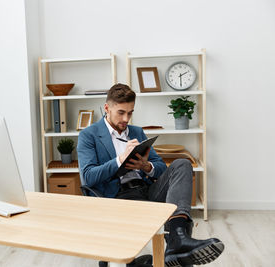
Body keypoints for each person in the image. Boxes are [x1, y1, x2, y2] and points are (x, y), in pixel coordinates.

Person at [77, 83, 224, 267]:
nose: (126, 118)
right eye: (121, 112)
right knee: (179, 260)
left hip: (146, 190)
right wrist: (120, 160)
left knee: (182, 164)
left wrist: (146, 166)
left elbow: (160, 167)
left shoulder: (136, 131)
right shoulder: (89, 135)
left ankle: (177, 238)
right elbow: (88, 176)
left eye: (130, 113)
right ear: (107, 108)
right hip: (116, 197)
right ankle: (175, 250)